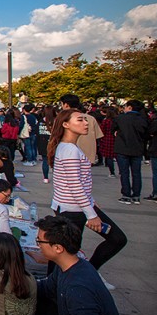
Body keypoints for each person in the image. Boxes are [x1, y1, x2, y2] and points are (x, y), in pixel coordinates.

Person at [19, 216, 128, 315]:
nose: (38, 246)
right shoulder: (68, 265)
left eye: (39, 242)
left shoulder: (78, 287)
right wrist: (17, 284)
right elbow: (45, 288)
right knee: (35, 300)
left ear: (58, 248)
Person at [47, 109, 126, 275]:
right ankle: (66, 283)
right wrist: (91, 214)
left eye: (85, 119)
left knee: (63, 252)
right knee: (64, 253)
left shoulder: (69, 148)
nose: (86, 123)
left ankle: (83, 274)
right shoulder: (69, 150)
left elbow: (77, 183)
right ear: (66, 125)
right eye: (80, 120)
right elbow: (75, 184)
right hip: (72, 209)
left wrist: (90, 202)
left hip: (74, 206)